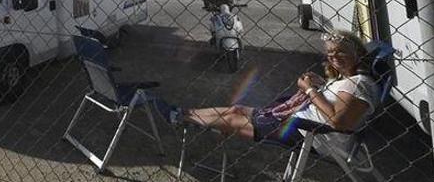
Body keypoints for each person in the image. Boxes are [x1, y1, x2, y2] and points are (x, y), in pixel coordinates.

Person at [155, 29, 380, 154]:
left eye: (340, 52)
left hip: (309, 134)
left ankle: (184, 117)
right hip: (299, 125)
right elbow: (336, 104)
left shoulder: (360, 83)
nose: (333, 57)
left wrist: (310, 90)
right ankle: (182, 114)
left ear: (356, 53)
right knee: (237, 108)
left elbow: (339, 121)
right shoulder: (347, 79)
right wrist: (321, 85)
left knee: (233, 118)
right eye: (330, 54)